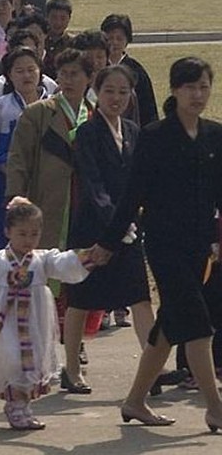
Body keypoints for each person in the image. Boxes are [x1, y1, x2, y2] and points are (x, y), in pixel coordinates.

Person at [92, 57, 222, 430]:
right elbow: (133, 196)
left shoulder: (215, 135)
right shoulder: (154, 136)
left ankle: (134, 402)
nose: (198, 94)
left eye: (203, 86)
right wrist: (108, 243)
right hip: (165, 246)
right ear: (175, 90)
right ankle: (215, 407)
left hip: (202, 249)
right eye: (190, 87)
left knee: (167, 327)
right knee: (198, 325)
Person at [61, 64, 154, 393]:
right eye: (109, 91)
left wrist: (134, 221)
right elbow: (93, 185)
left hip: (128, 230)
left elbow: (142, 181)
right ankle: (71, 370)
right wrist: (115, 224)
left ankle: (151, 370)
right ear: (96, 94)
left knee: (141, 299)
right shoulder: (86, 133)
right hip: (93, 231)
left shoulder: (133, 131)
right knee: (82, 300)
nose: (116, 98)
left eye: (123, 92)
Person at [0, 198, 91, 431]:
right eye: (22, 234)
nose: (28, 240)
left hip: (35, 322)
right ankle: (16, 406)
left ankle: (21, 407)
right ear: (8, 231)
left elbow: (65, 263)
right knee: (13, 359)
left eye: (34, 234)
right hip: (7, 325)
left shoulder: (42, 259)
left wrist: (87, 257)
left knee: (31, 361)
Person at [5, 48, 93, 254]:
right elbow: (19, 158)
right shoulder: (38, 112)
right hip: (48, 197)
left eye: (74, 74)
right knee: (47, 257)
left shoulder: (95, 113)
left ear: (89, 78)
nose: (68, 80)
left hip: (85, 199)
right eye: (63, 74)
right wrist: (16, 196)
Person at [0, 45, 49, 265]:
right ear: (8, 75)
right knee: (1, 230)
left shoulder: (53, 104)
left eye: (31, 69)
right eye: (19, 70)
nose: (26, 75)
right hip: (4, 182)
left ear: (40, 72)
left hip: (45, 180)